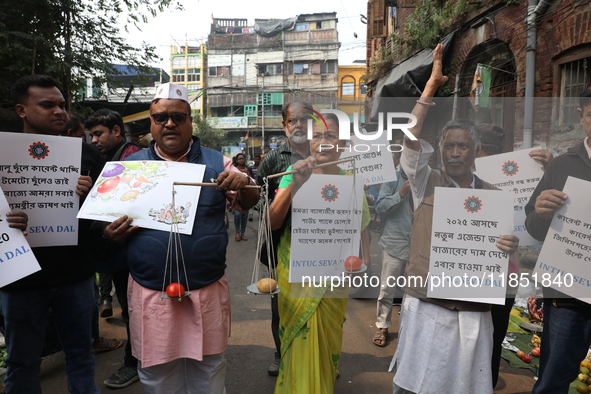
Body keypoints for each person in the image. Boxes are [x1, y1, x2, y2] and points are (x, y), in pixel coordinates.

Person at [102, 82, 259, 393]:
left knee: (209, 370)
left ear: (190, 121)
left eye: (178, 116)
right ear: (151, 123)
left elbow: (248, 201)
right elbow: (105, 225)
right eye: (160, 118)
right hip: (151, 290)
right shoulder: (130, 168)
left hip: (205, 287)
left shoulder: (216, 163)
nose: (169, 123)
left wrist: (245, 182)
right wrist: (110, 233)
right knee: (157, 373)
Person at [390, 44, 519, 394]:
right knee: (419, 382)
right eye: (449, 146)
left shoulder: (494, 196)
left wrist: (509, 244)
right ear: (441, 150)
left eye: (463, 146)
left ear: (476, 151)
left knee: (464, 385)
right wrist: (431, 86)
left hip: (474, 309)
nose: (455, 152)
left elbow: (506, 244)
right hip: (428, 304)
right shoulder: (425, 180)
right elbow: (410, 139)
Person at [1, 74, 105, 393]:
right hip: (20, 278)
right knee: (22, 361)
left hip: (76, 277)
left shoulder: (88, 156)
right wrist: (5, 220)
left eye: (61, 104)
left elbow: (105, 214)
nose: (58, 111)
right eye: (47, 105)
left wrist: (85, 199)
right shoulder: (3, 154)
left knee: (81, 353)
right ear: (21, 110)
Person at [267, 113, 370, 393]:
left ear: (343, 144)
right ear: (309, 143)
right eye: (318, 136)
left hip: (335, 278)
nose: (324, 142)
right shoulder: (293, 172)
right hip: (296, 276)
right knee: (299, 341)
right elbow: (272, 221)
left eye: (331, 136)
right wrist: (297, 184)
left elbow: (361, 228)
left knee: (327, 340)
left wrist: (365, 263)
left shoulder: (351, 181)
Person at [475, 123, 553, 388]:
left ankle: (487, 381)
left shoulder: (516, 173)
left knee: (495, 332)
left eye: (491, 150)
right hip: (469, 271)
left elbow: (537, 216)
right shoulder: (461, 176)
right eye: (481, 149)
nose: (482, 156)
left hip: (505, 273)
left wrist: (548, 172)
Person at [524, 88, 591, 394]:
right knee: (554, 377)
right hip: (568, 295)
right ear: (581, 117)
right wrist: (540, 211)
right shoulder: (561, 165)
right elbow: (534, 228)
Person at [85, 107, 142, 389]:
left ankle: (133, 363)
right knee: (132, 307)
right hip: (118, 248)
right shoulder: (108, 158)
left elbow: (126, 203)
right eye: (91, 135)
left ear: (116, 131)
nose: (94, 140)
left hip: (131, 248)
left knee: (133, 308)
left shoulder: (132, 156)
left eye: (98, 134)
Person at [255, 100, 313, 376]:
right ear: (285, 125)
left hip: (320, 244)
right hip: (281, 246)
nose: (299, 125)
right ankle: (281, 353)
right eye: (293, 121)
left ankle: (321, 353)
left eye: (305, 119)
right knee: (281, 306)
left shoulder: (327, 153)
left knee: (320, 304)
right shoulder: (273, 160)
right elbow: (261, 203)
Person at [372, 140, 411, 347]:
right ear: (399, 159)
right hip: (395, 243)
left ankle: (410, 329)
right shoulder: (393, 178)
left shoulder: (429, 179)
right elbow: (381, 207)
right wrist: (401, 193)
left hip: (420, 247)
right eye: (405, 156)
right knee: (387, 288)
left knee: (415, 291)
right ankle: (383, 326)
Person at [231, 153, 254, 241]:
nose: (242, 160)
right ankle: (237, 232)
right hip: (236, 195)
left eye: (243, 158)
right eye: (240, 159)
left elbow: (253, 180)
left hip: (247, 195)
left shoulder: (249, 169)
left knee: (245, 215)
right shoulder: (234, 169)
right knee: (237, 214)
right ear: (236, 160)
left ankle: (242, 233)